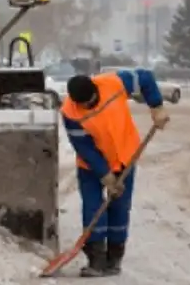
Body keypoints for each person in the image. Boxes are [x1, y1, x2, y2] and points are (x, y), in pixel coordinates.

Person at [61, 69, 169, 277]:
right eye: (82, 105)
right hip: (91, 167)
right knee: (93, 208)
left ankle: (114, 258)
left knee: (120, 207)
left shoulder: (113, 83)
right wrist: (105, 175)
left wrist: (157, 106)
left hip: (125, 157)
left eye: (90, 101)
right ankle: (96, 259)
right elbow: (85, 148)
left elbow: (145, 78)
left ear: (95, 89)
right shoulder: (70, 113)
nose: (87, 107)